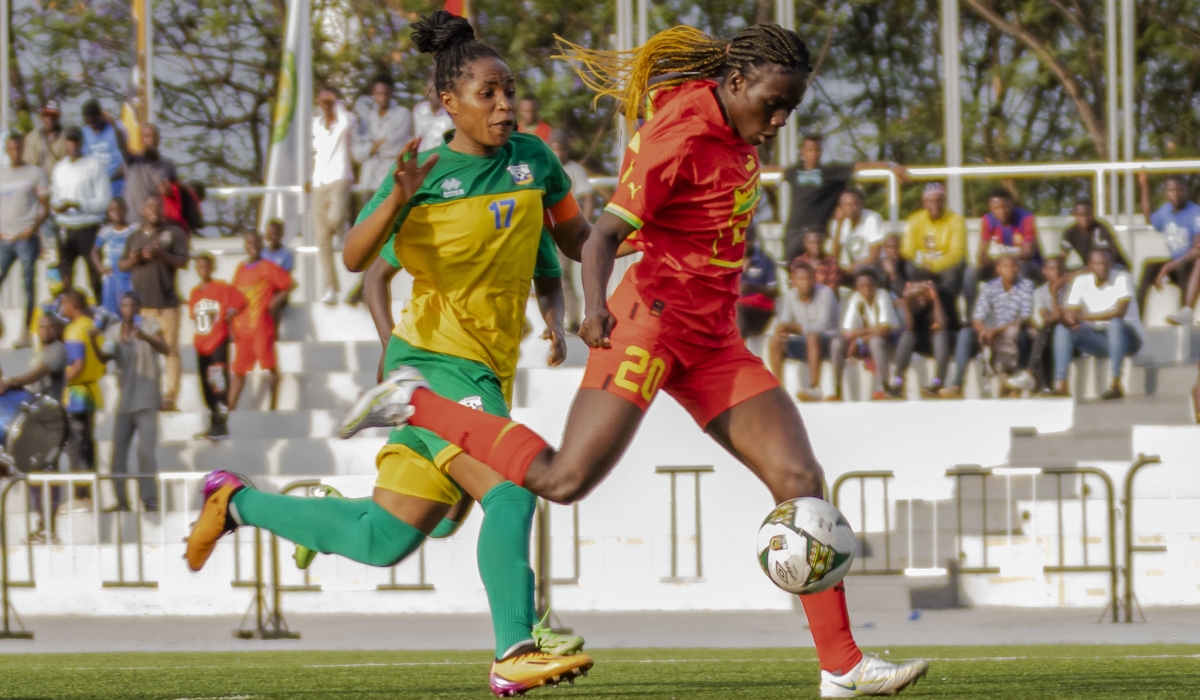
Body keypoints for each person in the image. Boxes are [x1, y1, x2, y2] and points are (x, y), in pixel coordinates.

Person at [349, 22, 928, 696]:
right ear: (735, 83)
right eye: (771, 104)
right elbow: (600, 238)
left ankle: (842, 666)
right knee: (563, 481)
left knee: (799, 475)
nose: (777, 122)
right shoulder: (678, 134)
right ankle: (411, 403)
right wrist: (592, 308)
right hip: (645, 327)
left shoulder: (732, 122)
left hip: (712, 338)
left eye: (789, 109)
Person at [184, 12, 595, 695]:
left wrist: (615, 259)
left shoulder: (535, 160)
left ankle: (236, 502)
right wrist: (395, 200)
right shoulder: (426, 173)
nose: (504, 104)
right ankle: (518, 646)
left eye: (509, 90)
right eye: (488, 93)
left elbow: (571, 240)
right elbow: (356, 260)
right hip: (434, 365)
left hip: (485, 368)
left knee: (384, 539)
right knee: (515, 492)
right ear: (449, 103)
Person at [777, 133, 909, 262]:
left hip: (817, 233)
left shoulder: (831, 171)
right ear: (802, 151)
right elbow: (775, 170)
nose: (813, 154)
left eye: (817, 150)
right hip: (793, 231)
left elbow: (861, 166)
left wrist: (891, 165)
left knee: (819, 269)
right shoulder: (794, 171)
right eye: (810, 150)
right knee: (790, 268)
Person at [95, 292, 169, 512]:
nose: (128, 309)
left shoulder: (150, 324)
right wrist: (92, 339)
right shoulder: (115, 331)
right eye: (124, 305)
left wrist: (144, 336)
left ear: (139, 307)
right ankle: (121, 501)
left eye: (132, 305)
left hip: (147, 400)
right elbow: (104, 357)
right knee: (117, 454)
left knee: (145, 452)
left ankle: (149, 499)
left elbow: (165, 349)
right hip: (125, 402)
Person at [0, 314, 68, 543]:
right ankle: (44, 527)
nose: (46, 330)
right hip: (31, 422)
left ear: (57, 329)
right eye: (42, 326)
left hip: (47, 422)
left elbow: (40, 373)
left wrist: (12, 381)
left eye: (50, 326)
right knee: (35, 479)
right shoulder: (40, 350)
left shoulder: (58, 349)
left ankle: (49, 528)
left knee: (46, 476)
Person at [120, 195, 189, 411]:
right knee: (144, 353)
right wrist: (135, 259)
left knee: (171, 350)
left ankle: (170, 397)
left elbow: (183, 261)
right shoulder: (135, 237)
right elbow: (122, 265)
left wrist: (161, 254)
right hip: (143, 306)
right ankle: (147, 396)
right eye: (150, 206)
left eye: (159, 207)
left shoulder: (174, 232)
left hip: (166, 304)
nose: (155, 210)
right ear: (142, 209)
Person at [1053, 248, 1143, 400]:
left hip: (1127, 338)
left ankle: (1116, 383)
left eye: (1105, 263)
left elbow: (1119, 312)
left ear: (1111, 264)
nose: (1102, 267)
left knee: (1115, 324)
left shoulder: (1122, 277)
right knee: (1062, 329)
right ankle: (1062, 385)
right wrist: (1068, 314)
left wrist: (1084, 316)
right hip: (1099, 339)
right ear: (1089, 265)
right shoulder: (1081, 281)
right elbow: (1071, 312)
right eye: (1097, 264)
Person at [942, 255, 1033, 399]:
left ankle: (1011, 385)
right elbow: (977, 317)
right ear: (998, 270)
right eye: (1006, 266)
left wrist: (995, 331)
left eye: (1014, 266)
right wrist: (983, 331)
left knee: (1018, 335)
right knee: (965, 334)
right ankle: (957, 386)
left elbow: (1024, 317)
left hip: (1013, 330)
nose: (1011, 270)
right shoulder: (990, 287)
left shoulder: (1026, 285)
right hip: (991, 331)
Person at [228, 231, 294, 411]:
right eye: (250, 242)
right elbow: (235, 296)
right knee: (238, 371)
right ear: (245, 245)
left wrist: (275, 301)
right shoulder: (241, 268)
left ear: (261, 244)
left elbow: (289, 284)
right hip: (242, 329)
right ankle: (230, 408)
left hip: (260, 327)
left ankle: (273, 407)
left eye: (257, 242)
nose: (254, 245)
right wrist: (230, 321)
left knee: (271, 368)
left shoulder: (267, 267)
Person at [188, 252, 246, 440]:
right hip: (202, 345)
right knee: (205, 387)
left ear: (212, 268)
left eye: (206, 266)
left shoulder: (221, 288)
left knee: (218, 385)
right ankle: (213, 422)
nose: (203, 270)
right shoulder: (195, 293)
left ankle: (221, 424)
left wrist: (229, 316)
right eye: (200, 267)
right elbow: (194, 317)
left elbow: (241, 301)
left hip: (217, 342)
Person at [51, 127, 111, 306]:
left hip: (88, 226)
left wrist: (79, 204)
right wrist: (57, 208)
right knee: (64, 276)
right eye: (70, 140)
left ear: (82, 142)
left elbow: (104, 201)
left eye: (76, 140)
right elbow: (55, 199)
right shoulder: (59, 168)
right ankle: (66, 313)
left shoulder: (94, 164)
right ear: (65, 143)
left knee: (94, 276)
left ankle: (101, 310)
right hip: (65, 227)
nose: (73, 144)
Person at [1, 133, 50, 348]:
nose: (14, 153)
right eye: (10, 149)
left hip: (26, 238)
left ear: (22, 149)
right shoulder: (2, 174)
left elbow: (46, 207)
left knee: (27, 284)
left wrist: (33, 228)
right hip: (5, 238)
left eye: (17, 149)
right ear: (6, 149)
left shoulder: (35, 173)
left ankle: (26, 331)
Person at [767, 260, 838, 401]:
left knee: (812, 337)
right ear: (793, 281)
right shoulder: (789, 296)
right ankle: (779, 391)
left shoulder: (826, 293)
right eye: (801, 279)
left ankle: (814, 388)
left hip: (829, 341)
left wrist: (794, 327)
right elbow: (785, 321)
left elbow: (822, 326)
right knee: (775, 342)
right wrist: (781, 330)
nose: (805, 282)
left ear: (814, 279)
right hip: (803, 341)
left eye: (809, 278)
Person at [312, 86, 357, 306]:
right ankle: (330, 286)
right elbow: (316, 152)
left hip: (339, 177)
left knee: (336, 219)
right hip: (320, 182)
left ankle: (347, 232)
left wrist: (336, 103)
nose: (327, 105)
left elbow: (348, 123)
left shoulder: (345, 119)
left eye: (330, 102)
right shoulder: (316, 124)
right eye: (323, 102)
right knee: (322, 239)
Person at [61, 288, 106, 504]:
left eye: (65, 304)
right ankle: (89, 490)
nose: (62, 308)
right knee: (88, 443)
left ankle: (81, 494)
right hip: (93, 392)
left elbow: (77, 365)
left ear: (73, 305)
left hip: (77, 394)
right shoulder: (92, 327)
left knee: (76, 445)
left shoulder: (74, 330)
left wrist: (62, 380)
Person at [1136, 172, 1200, 325]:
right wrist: (1144, 186)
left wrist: (1168, 267)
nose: (1175, 194)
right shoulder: (1166, 210)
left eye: (1179, 190)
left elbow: (1197, 249)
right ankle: (1136, 320)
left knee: (1184, 267)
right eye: (1171, 190)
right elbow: (1149, 218)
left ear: (1186, 191)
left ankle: (1184, 314)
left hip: (1188, 264)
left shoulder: (1196, 212)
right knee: (1149, 266)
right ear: (1166, 193)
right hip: (1175, 263)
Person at [548, 130, 596, 331]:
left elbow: (587, 197)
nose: (559, 153)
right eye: (555, 149)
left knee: (563, 274)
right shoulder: (545, 167)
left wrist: (582, 222)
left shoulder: (575, 170)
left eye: (562, 149)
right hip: (544, 229)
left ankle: (573, 317)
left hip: (566, 228)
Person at [830, 267, 900, 401]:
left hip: (888, 342)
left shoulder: (882, 295)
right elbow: (847, 332)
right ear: (857, 287)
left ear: (875, 285)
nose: (866, 289)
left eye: (870, 285)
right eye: (862, 286)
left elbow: (885, 330)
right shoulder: (855, 298)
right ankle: (837, 391)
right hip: (863, 342)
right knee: (837, 343)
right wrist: (864, 334)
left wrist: (859, 339)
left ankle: (885, 388)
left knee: (876, 341)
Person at [966, 188, 1042, 309]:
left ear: (1012, 204)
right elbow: (981, 252)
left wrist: (1001, 262)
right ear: (991, 208)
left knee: (1017, 267)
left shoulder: (1026, 218)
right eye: (996, 208)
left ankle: (1022, 315)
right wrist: (983, 258)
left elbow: (1027, 254)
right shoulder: (988, 220)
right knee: (971, 271)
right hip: (1004, 264)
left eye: (1005, 206)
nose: (1001, 211)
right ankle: (973, 316)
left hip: (1032, 265)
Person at [1007, 256, 1068, 394]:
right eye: (1052, 269)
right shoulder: (1039, 292)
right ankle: (1044, 387)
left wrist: (1054, 295)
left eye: (1059, 268)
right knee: (1041, 332)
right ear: (1044, 271)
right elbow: (1048, 317)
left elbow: (1059, 318)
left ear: (1065, 270)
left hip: (1069, 336)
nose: (1056, 272)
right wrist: (1055, 298)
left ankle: (1030, 374)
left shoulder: (1071, 288)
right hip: (1050, 335)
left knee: (1047, 330)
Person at [892, 275, 957, 399]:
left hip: (946, 341)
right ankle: (898, 382)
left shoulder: (944, 295)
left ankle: (938, 382)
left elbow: (942, 326)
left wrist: (935, 298)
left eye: (924, 293)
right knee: (907, 336)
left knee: (939, 336)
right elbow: (910, 327)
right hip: (924, 341)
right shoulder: (912, 300)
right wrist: (906, 300)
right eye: (918, 293)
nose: (920, 297)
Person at [900, 182, 967, 297]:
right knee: (909, 270)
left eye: (939, 200)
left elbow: (956, 253)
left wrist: (932, 265)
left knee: (951, 276)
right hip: (922, 265)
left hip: (947, 265)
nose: (935, 205)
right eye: (931, 201)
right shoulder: (915, 220)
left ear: (944, 201)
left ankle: (947, 310)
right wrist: (920, 264)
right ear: (924, 203)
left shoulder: (956, 220)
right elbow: (907, 251)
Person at [353, 74, 413, 191]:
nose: (383, 98)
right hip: (368, 181)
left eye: (386, 94)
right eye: (379, 94)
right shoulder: (367, 119)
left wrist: (371, 146)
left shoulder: (402, 114)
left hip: (392, 176)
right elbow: (357, 152)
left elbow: (393, 145)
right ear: (373, 95)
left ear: (391, 94)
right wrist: (374, 146)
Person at [123, 124, 178, 225]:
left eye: (154, 136)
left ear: (159, 139)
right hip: (134, 223)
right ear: (141, 139)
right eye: (147, 136)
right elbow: (121, 145)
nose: (151, 139)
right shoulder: (132, 161)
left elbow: (177, 197)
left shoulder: (168, 167)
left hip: (158, 224)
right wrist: (114, 126)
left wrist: (168, 192)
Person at [91, 198, 136, 316]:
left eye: (120, 209)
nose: (116, 212)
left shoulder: (134, 230)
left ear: (125, 210)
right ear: (108, 213)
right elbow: (94, 252)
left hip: (130, 277)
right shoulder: (105, 232)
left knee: (131, 310)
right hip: (111, 278)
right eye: (112, 210)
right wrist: (101, 268)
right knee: (112, 313)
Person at [1059, 198, 1130, 272]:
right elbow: (1062, 258)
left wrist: (1076, 273)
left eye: (1088, 214)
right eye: (1080, 215)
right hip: (1091, 267)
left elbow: (1103, 261)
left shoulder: (1101, 229)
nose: (1085, 218)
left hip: (1114, 266)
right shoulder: (1070, 232)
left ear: (1093, 214)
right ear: (1075, 216)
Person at [736, 224, 779, 340]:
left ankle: (740, 350)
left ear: (754, 239)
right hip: (735, 310)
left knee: (736, 308)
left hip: (759, 312)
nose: (744, 243)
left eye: (747, 240)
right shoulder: (729, 260)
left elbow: (774, 291)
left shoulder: (765, 260)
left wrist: (753, 287)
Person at [80, 99, 128, 197]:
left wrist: (109, 177)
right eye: (89, 124)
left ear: (101, 115)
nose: (93, 127)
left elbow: (125, 158)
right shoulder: (84, 133)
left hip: (117, 188)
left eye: (95, 122)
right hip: (94, 189)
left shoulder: (117, 128)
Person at [829, 188, 884, 271]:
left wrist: (853, 267)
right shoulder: (837, 223)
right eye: (846, 205)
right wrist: (839, 225)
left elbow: (874, 256)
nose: (850, 208)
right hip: (855, 266)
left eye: (854, 204)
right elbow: (834, 257)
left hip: (877, 265)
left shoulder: (872, 218)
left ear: (862, 205)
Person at [261, 219, 295, 329]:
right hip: (263, 290)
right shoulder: (261, 253)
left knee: (273, 302)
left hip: (278, 292)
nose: (273, 237)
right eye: (270, 234)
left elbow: (286, 279)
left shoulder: (287, 254)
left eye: (276, 234)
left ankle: (274, 335)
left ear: (281, 235)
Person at [23, 100, 67, 178]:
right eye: (46, 115)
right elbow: (27, 161)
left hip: (57, 181)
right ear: (41, 117)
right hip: (36, 182)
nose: (50, 119)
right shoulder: (31, 137)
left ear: (58, 118)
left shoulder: (66, 137)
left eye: (53, 116)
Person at [412, 77, 456, 152]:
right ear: (426, 91)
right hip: (422, 158)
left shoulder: (452, 112)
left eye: (438, 92)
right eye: (432, 91)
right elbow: (416, 136)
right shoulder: (419, 110)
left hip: (444, 159)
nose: (435, 96)